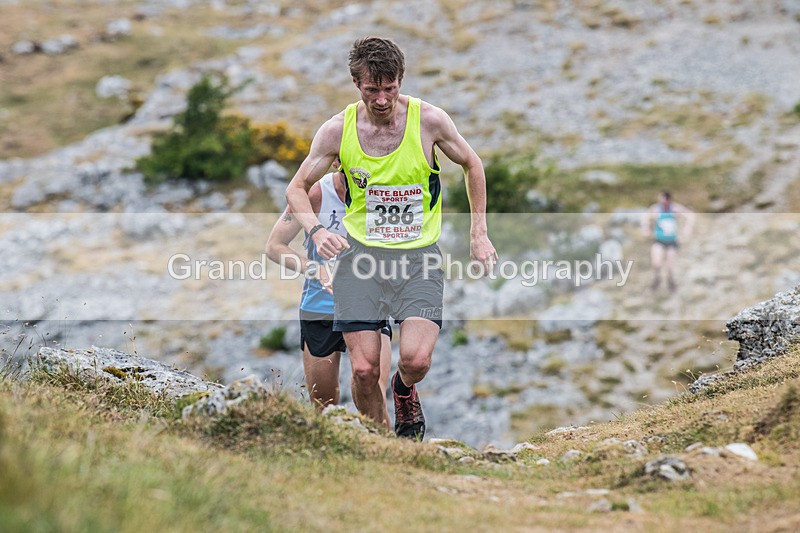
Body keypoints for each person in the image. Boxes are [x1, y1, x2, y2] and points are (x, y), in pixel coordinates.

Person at [285, 36, 497, 440]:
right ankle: (385, 449)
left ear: (400, 80)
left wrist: (479, 233)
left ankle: (403, 390)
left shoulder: (430, 121)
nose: (381, 99)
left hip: (418, 258)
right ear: (356, 84)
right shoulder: (336, 130)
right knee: (364, 371)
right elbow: (296, 188)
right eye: (371, 89)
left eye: (390, 88)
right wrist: (314, 229)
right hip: (360, 259)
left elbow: (472, 164)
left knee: (415, 360)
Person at [266, 161, 392, 422]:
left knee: (374, 395)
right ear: (336, 160)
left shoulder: (384, 191)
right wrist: (316, 269)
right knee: (324, 409)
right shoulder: (316, 194)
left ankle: (384, 457)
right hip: (321, 307)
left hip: (369, 306)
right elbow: (275, 246)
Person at [641, 191, 695, 292]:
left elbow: (690, 215)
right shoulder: (656, 209)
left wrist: (688, 228)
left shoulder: (675, 208)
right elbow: (645, 217)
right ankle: (657, 278)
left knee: (670, 266)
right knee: (656, 262)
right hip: (659, 240)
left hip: (671, 242)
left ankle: (671, 281)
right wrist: (645, 228)